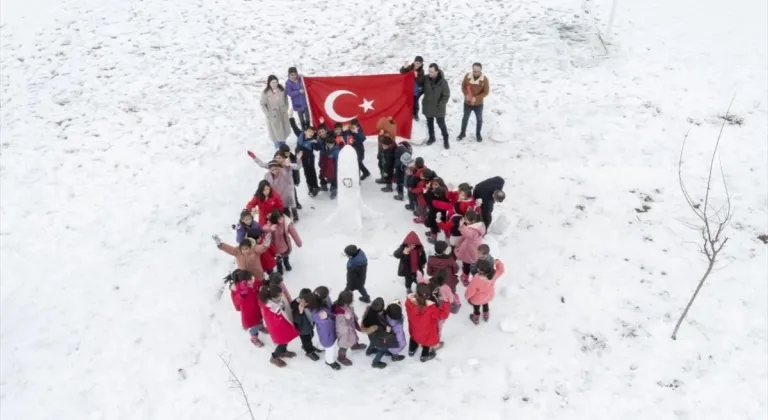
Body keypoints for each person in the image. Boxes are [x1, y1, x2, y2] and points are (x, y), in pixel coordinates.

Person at [405, 283, 450, 362]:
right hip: (426, 332)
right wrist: (446, 303)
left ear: (416, 292)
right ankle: (424, 357)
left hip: (414, 328)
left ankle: (411, 351)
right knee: (426, 342)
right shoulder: (431, 308)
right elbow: (443, 315)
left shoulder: (409, 302)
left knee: (413, 338)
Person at [258, 282, 299, 367]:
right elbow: (274, 319)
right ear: (272, 297)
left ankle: (283, 352)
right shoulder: (271, 307)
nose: (281, 296)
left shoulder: (273, 301)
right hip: (279, 328)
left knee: (286, 340)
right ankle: (274, 357)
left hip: (283, 325)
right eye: (279, 296)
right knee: (282, 343)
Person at [226, 269, 265, 347]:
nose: (253, 279)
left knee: (260, 319)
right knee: (254, 326)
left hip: (257, 307)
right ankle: (254, 338)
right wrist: (242, 295)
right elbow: (236, 301)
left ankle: (260, 326)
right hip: (249, 313)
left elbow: (259, 284)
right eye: (251, 279)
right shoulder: (238, 290)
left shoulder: (253, 283)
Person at [309, 286, 342, 370]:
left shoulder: (318, 301)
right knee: (329, 346)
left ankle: (320, 348)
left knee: (322, 339)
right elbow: (328, 322)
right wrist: (328, 317)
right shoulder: (319, 312)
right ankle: (329, 361)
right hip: (327, 331)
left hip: (323, 330)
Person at [332, 291, 367, 366]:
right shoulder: (340, 314)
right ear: (347, 301)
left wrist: (354, 318)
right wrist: (348, 319)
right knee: (344, 345)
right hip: (345, 333)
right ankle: (341, 357)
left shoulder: (346, 306)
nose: (353, 300)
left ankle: (354, 346)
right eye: (352, 299)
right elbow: (342, 328)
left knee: (353, 337)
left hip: (350, 328)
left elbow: (351, 313)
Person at [465, 259, 506, 324]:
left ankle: (476, 318)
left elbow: (471, 291)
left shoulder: (476, 279)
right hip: (488, 296)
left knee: (476, 309)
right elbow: (501, 270)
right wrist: (498, 263)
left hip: (477, 299)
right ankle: (486, 316)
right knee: (485, 304)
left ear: (480, 270)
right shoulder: (493, 274)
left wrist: (467, 297)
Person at [458, 63, 490, 142]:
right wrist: (466, 95)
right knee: (465, 118)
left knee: (479, 119)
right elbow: (463, 87)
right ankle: (462, 133)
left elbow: (486, 92)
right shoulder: (467, 76)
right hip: (467, 103)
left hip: (478, 104)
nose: (475, 73)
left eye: (477, 71)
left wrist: (476, 98)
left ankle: (478, 134)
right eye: (474, 71)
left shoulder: (484, 79)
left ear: (480, 70)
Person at [453, 209, 486, 286]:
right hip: (476, 249)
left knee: (466, 265)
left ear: (472, 220)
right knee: (473, 263)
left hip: (469, 251)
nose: (464, 220)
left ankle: (465, 279)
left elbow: (465, 232)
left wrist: (461, 225)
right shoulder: (479, 226)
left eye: (466, 219)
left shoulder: (472, 232)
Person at [421, 63, 451, 149]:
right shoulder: (426, 78)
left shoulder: (443, 82)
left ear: (436, 72)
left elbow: (446, 95)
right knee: (429, 123)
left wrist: (440, 104)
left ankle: (446, 139)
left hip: (438, 108)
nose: (429, 73)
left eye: (431, 72)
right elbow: (417, 80)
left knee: (441, 124)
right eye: (429, 71)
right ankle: (432, 137)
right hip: (428, 106)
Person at [265, 209, 302, 274]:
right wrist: (270, 229)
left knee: (286, 255)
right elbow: (264, 228)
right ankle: (280, 269)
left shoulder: (286, 223)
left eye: (281, 217)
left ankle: (286, 263)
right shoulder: (271, 224)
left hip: (285, 243)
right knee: (278, 259)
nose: (281, 219)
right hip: (276, 246)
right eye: (278, 219)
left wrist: (298, 242)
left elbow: (293, 232)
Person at [259, 75, 292, 149]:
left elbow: (285, 99)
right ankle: (277, 147)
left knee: (283, 130)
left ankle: (283, 145)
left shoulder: (281, 89)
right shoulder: (265, 93)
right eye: (272, 82)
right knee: (275, 132)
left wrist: (286, 107)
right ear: (269, 83)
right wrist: (267, 114)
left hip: (282, 114)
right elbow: (262, 104)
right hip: (273, 115)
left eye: (276, 82)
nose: (275, 84)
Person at [290, 288, 322, 361]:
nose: (302, 303)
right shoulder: (296, 306)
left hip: (309, 326)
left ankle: (307, 346)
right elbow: (297, 320)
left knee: (311, 336)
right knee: (306, 340)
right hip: (303, 329)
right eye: (301, 300)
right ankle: (309, 351)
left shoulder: (311, 304)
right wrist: (300, 312)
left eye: (305, 302)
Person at [399, 56, 426, 121]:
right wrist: (404, 68)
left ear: (421, 64)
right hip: (408, 88)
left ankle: (415, 113)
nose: (417, 65)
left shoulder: (421, 71)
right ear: (414, 62)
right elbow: (402, 72)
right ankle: (408, 112)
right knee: (407, 101)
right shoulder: (409, 67)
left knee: (415, 102)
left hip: (416, 90)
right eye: (416, 63)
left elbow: (421, 81)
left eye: (419, 64)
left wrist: (416, 77)